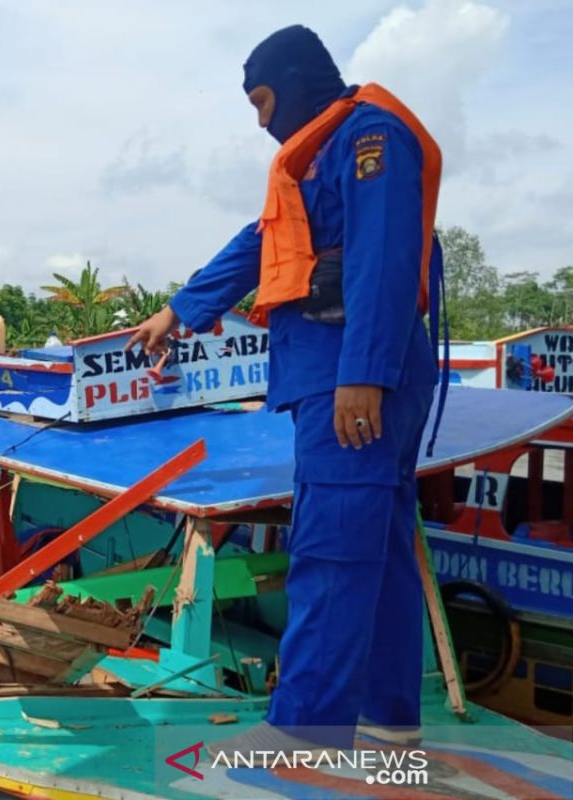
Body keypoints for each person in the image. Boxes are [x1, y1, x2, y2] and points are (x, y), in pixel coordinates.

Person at [128, 25, 441, 752]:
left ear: (298, 81)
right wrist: (180, 309)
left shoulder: (369, 139)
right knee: (382, 549)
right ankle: (389, 718)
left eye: (263, 101)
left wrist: (363, 374)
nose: (261, 121)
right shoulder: (315, 159)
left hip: (352, 378)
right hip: (339, 374)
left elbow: (386, 255)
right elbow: (261, 242)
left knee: (331, 550)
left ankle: (305, 738)